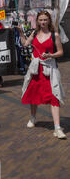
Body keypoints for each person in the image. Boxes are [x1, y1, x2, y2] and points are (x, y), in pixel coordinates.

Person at [19, 11, 65, 139]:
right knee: (33, 94)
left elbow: (61, 52)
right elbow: (25, 44)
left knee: (54, 96)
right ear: (37, 21)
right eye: (40, 20)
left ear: (49, 20)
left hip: (49, 69)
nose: (43, 22)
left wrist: (51, 55)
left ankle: (57, 128)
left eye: (45, 20)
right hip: (35, 69)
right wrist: (21, 33)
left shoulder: (54, 35)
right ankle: (33, 118)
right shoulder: (34, 33)